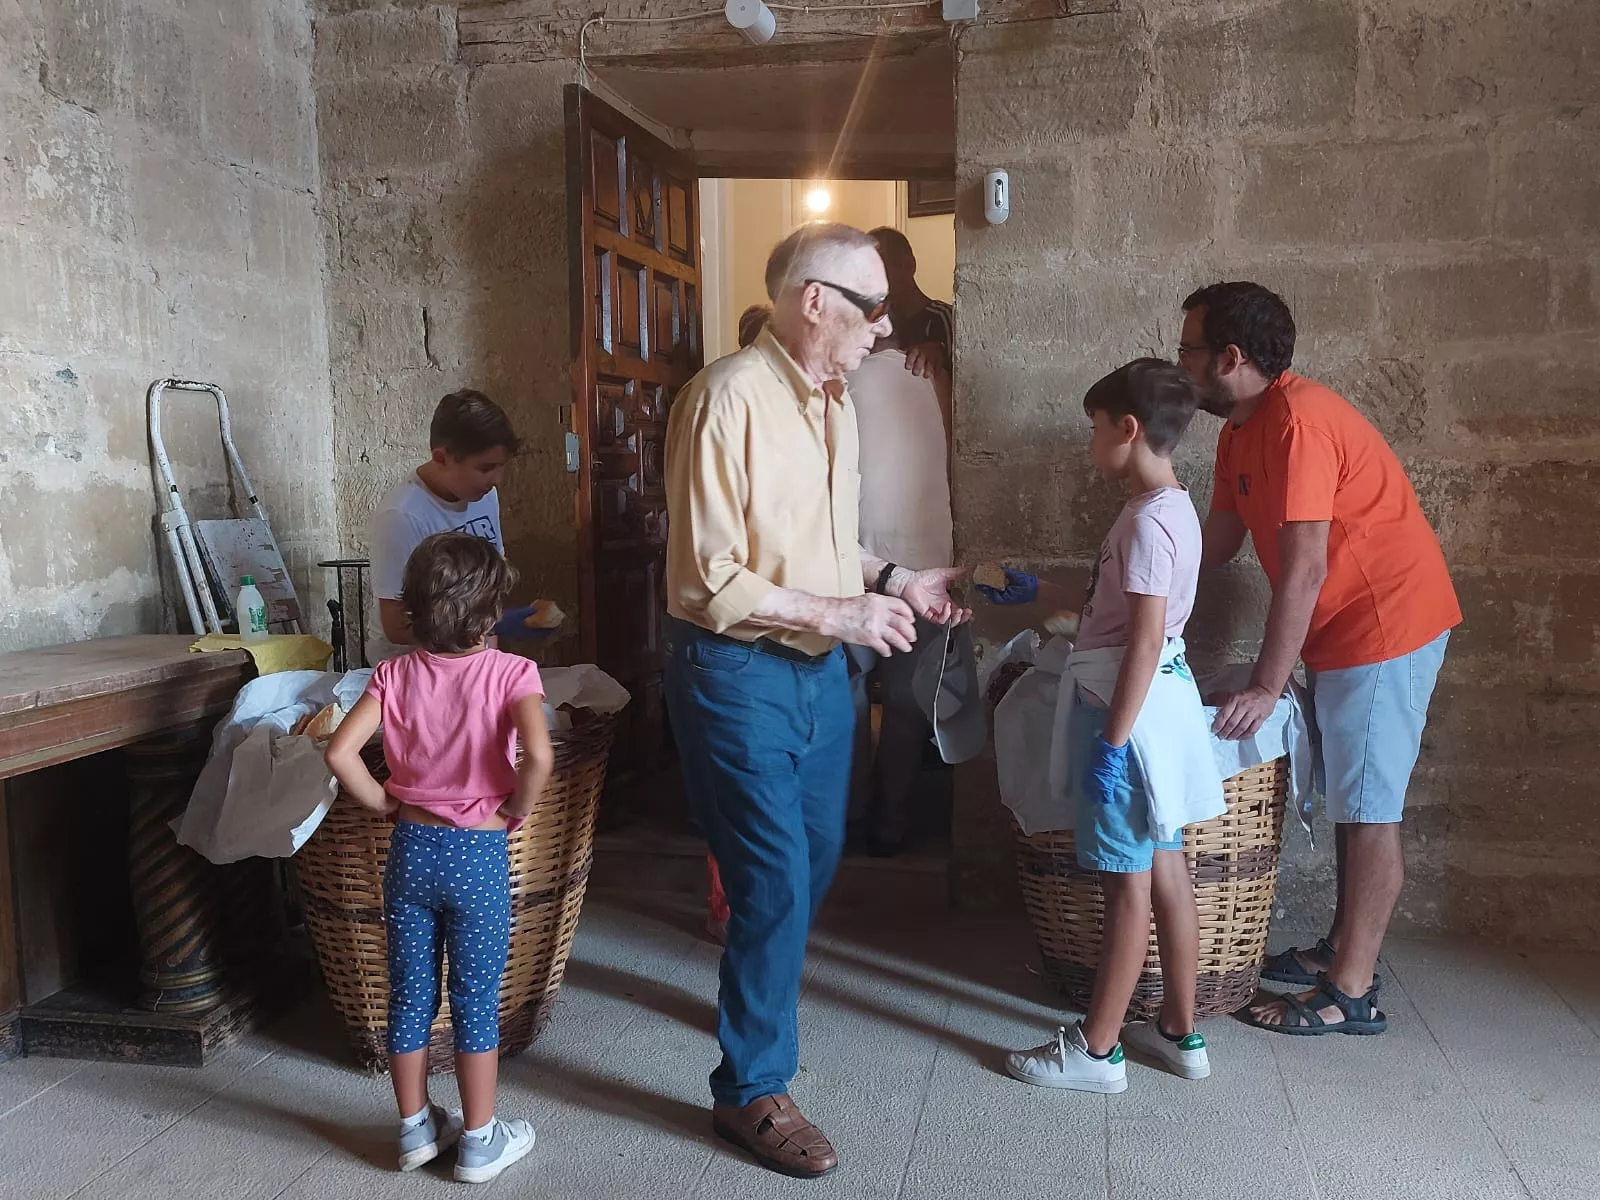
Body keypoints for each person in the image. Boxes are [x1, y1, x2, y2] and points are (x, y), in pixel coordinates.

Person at [663, 222, 967, 1178]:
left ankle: (759, 998)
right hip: (737, 671)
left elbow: (835, 548)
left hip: (820, 675)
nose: (887, 326)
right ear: (815, 303)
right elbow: (706, 580)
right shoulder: (725, 400)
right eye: (873, 308)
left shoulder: (835, 404)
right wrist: (844, 612)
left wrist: (896, 577)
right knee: (774, 877)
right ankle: (752, 1088)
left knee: (817, 857)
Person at [1179, 281, 1460, 1036]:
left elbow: (1302, 569)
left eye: (1190, 349)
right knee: (1351, 797)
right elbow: (1220, 542)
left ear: (1229, 358)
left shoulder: (1298, 422)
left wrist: (1269, 685)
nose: (1182, 362)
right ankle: (1340, 948)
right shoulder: (1240, 428)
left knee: (1370, 810)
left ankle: (1353, 991)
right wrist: (1137, 581)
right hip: (1341, 630)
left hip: (1385, 623)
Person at [989, 360, 1218, 1093]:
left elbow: (1143, 641)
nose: (1090, 444)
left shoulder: (1148, 521)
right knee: (1168, 869)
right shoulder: (1170, 509)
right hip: (1160, 710)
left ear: (1128, 429)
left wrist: (1113, 745)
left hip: (1128, 717)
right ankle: (1183, 1033)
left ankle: (1096, 1051)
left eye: (1095, 429)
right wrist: (1039, 591)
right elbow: (1113, 609)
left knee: (1128, 888)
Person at [325, 532, 554, 1183]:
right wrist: (517, 808)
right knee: (476, 997)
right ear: (488, 616)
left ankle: (414, 1128)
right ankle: (480, 1140)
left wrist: (384, 803)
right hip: (479, 855)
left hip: (411, 852)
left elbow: (340, 752)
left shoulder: (392, 675)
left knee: (410, 993)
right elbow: (539, 755)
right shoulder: (514, 673)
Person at [845, 323, 954, 856]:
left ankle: (849, 814)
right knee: (909, 702)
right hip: (927, 563)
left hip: (853, 564)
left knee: (848, 694)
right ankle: (889, 823)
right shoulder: (937, 378)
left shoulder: (837, 380)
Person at [368, 389, 552, 657]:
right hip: (414, 668)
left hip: (472, 657)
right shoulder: (402, 516)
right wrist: (491, 625)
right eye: (486, 468)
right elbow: (396, 627)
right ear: (441, 458)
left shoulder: (483, 493)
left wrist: (489, 655)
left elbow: (491, 584)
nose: (497, 479)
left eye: (502, 466)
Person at [704, 303, 773, 945]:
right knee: (738, 792)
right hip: (735, 637)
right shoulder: (720, 408)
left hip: (779, 637)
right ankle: (730, 910)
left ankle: (757, 906)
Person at [869, 227, 953, 382]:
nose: (872, 276)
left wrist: (939, 351)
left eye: (881, 266)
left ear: (909, 265)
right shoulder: (875, 321)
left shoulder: (943, 318)